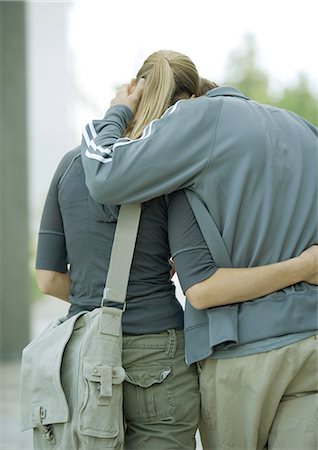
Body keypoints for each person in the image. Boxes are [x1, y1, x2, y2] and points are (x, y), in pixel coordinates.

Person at [80, 49, 318, 449]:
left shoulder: (195, 118)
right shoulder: (303, 128)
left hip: (243, 353)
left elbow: (105, 175)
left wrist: (118, 112)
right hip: (311, 341)